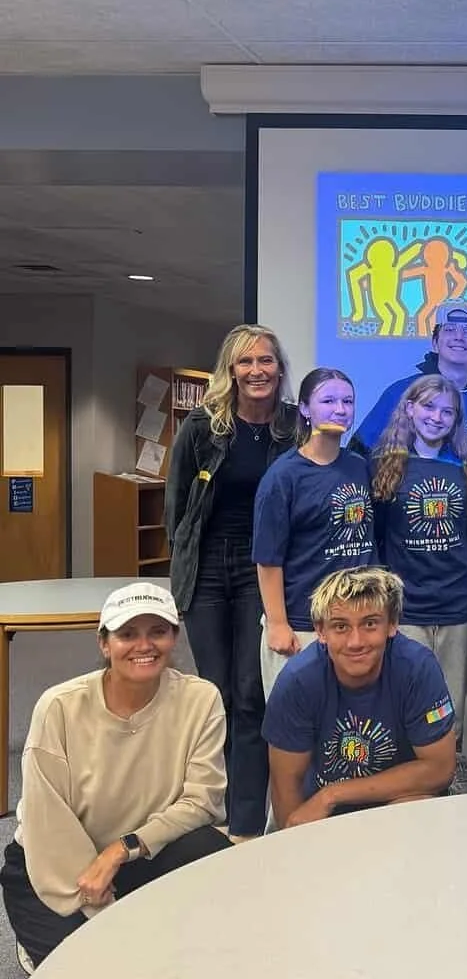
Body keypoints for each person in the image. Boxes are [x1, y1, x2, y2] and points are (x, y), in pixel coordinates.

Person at [0, 583, 229, 971]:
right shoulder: (58, 708)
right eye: (127, 634)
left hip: (140, 850)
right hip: (55, 865)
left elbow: (201, 802)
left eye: (157, 631)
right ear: (104, 644)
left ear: (174, 636)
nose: (145, 645)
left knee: (215, 859)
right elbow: (48, 824)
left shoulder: (201, 699)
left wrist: (121, 849)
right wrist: (99, 906)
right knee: (92, 968)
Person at [165, 323, 295, 842]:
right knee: (213, 693)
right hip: (207, 568)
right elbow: (177, 511)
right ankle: (209, 808)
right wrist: (181, 572)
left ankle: (243, 822)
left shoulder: (294, 428)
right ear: (231, 371)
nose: (256, 371)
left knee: (250, 694)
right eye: (245, 363)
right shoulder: (202, 426)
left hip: (260, 568)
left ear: (279, 369)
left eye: (265, 361)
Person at [263, 568, 458, 828]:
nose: (356, 642)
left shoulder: (417, 669)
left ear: (392, 625)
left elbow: (440, 769)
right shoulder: (297, 681)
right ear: (320, 631)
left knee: (418, 806)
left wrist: (333, 794)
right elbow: (286, 789)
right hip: (324, 818)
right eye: (340, 626)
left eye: (369, 624)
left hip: (395, 802)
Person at [371, 375, 467, 792]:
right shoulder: (386, 466)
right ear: (410, 409)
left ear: (457, 420)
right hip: (408, 608)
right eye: (429, 408)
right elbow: (378, 536)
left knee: (449, 707)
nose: (437, 417)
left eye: (447, 411)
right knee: (407, 700)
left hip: (456, 606)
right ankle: (408, 780)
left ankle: (448, 776)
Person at [253, 367, 376, 698]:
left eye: (348, 401)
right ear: (305, 409)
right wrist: (278, 624)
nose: (340, 409)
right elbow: (267, 560)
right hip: (303, 625)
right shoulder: (283, 478)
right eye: (329, 400)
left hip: (355, 622)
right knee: (299, 731)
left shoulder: (358, 467)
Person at [351, 299, 467, 454]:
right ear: (435, 343)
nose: (459, 337)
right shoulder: (402, 392)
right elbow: (359, 454)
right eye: (449, 329)